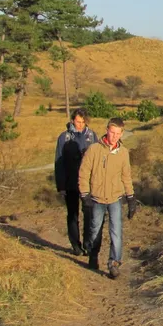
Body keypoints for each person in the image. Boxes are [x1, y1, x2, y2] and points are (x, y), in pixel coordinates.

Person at [78, 117, 137, 278]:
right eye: (112, 132)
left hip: (115, 198)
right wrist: (85, 194)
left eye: (118, 133)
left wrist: (131, 197)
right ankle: (93, 254)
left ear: (122, 134)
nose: (114, 136)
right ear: (107, 130)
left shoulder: (123, 153)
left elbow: (126, 176)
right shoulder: (94, 149)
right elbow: (84, 173)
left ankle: (114, 263)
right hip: (96, 198)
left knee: (116, 231)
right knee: (95, 230)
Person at [54, 108, 98, 256]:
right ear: (73, 120)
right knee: (72, 214)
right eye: (78, 122)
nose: (80, 125)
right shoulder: (64, 137)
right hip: (70, 182)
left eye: (83, 122)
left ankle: (88, 243)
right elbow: (59, 162)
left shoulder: (91, 136)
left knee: (89, 213)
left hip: (88, 183)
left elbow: (97, 160)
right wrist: (61, 185)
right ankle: (75, 245)